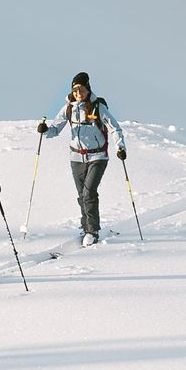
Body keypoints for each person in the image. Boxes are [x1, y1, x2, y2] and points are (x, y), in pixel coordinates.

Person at [38, 72, 124, 247]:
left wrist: (120, 147)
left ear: (88, 89)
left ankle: (92, 231)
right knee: (81, 194)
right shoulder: (68, 108)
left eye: (81, 89)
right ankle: (86, 226)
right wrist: (45, 130)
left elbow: (114, 128)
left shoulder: (98, 108)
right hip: (76, 156)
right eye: (75, 89)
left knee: (88, 192)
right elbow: (55, 129)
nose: (78, 92)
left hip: (98, 156)